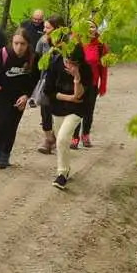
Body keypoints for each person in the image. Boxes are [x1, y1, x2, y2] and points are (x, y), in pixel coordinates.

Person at [43, 38, 91, 190]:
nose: (70, 66)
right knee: (60, 141)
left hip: (76, 110)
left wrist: (76, 77)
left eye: (74, 63)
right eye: (68, 62)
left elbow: (79, 96)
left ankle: (62, 174)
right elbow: (48, 91)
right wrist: (68, 97)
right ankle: (66, 167)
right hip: (57, 107)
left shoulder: (85, 69)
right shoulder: (55, 62)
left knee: (63, 139)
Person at [0, 28, 38, 168]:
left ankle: (5, 155)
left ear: (28, 44)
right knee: (2, 122)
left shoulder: (33, 57)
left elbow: (35, 80)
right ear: (12, 42)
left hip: (20, 97)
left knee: (12, 126)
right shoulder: (5, 53)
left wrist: (26, 96)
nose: (19, 47)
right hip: (2, 94)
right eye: (16, 43)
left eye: (22, 44)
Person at [76, 20, 110, 148]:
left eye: (93, 27)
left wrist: (103, 86)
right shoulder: (78, 44)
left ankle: (85, 135)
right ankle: (74, 137)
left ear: (97, 29)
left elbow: (104, 68)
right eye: (88, 26)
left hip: (93, 83)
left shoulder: (101, 46)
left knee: (88, 111)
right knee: (76, 109)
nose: (91, 29)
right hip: (78, 82)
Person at [35, 16, 64, 154]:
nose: (44, 30)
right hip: (46, 81)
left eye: (48, 27)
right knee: (45, 111)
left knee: (59, 112)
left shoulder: (67, 43)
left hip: (62, 83)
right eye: (44, 27)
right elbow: (36, 61)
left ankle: (61, 138)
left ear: (58, 28)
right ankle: (48, 139)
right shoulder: (42, 42)